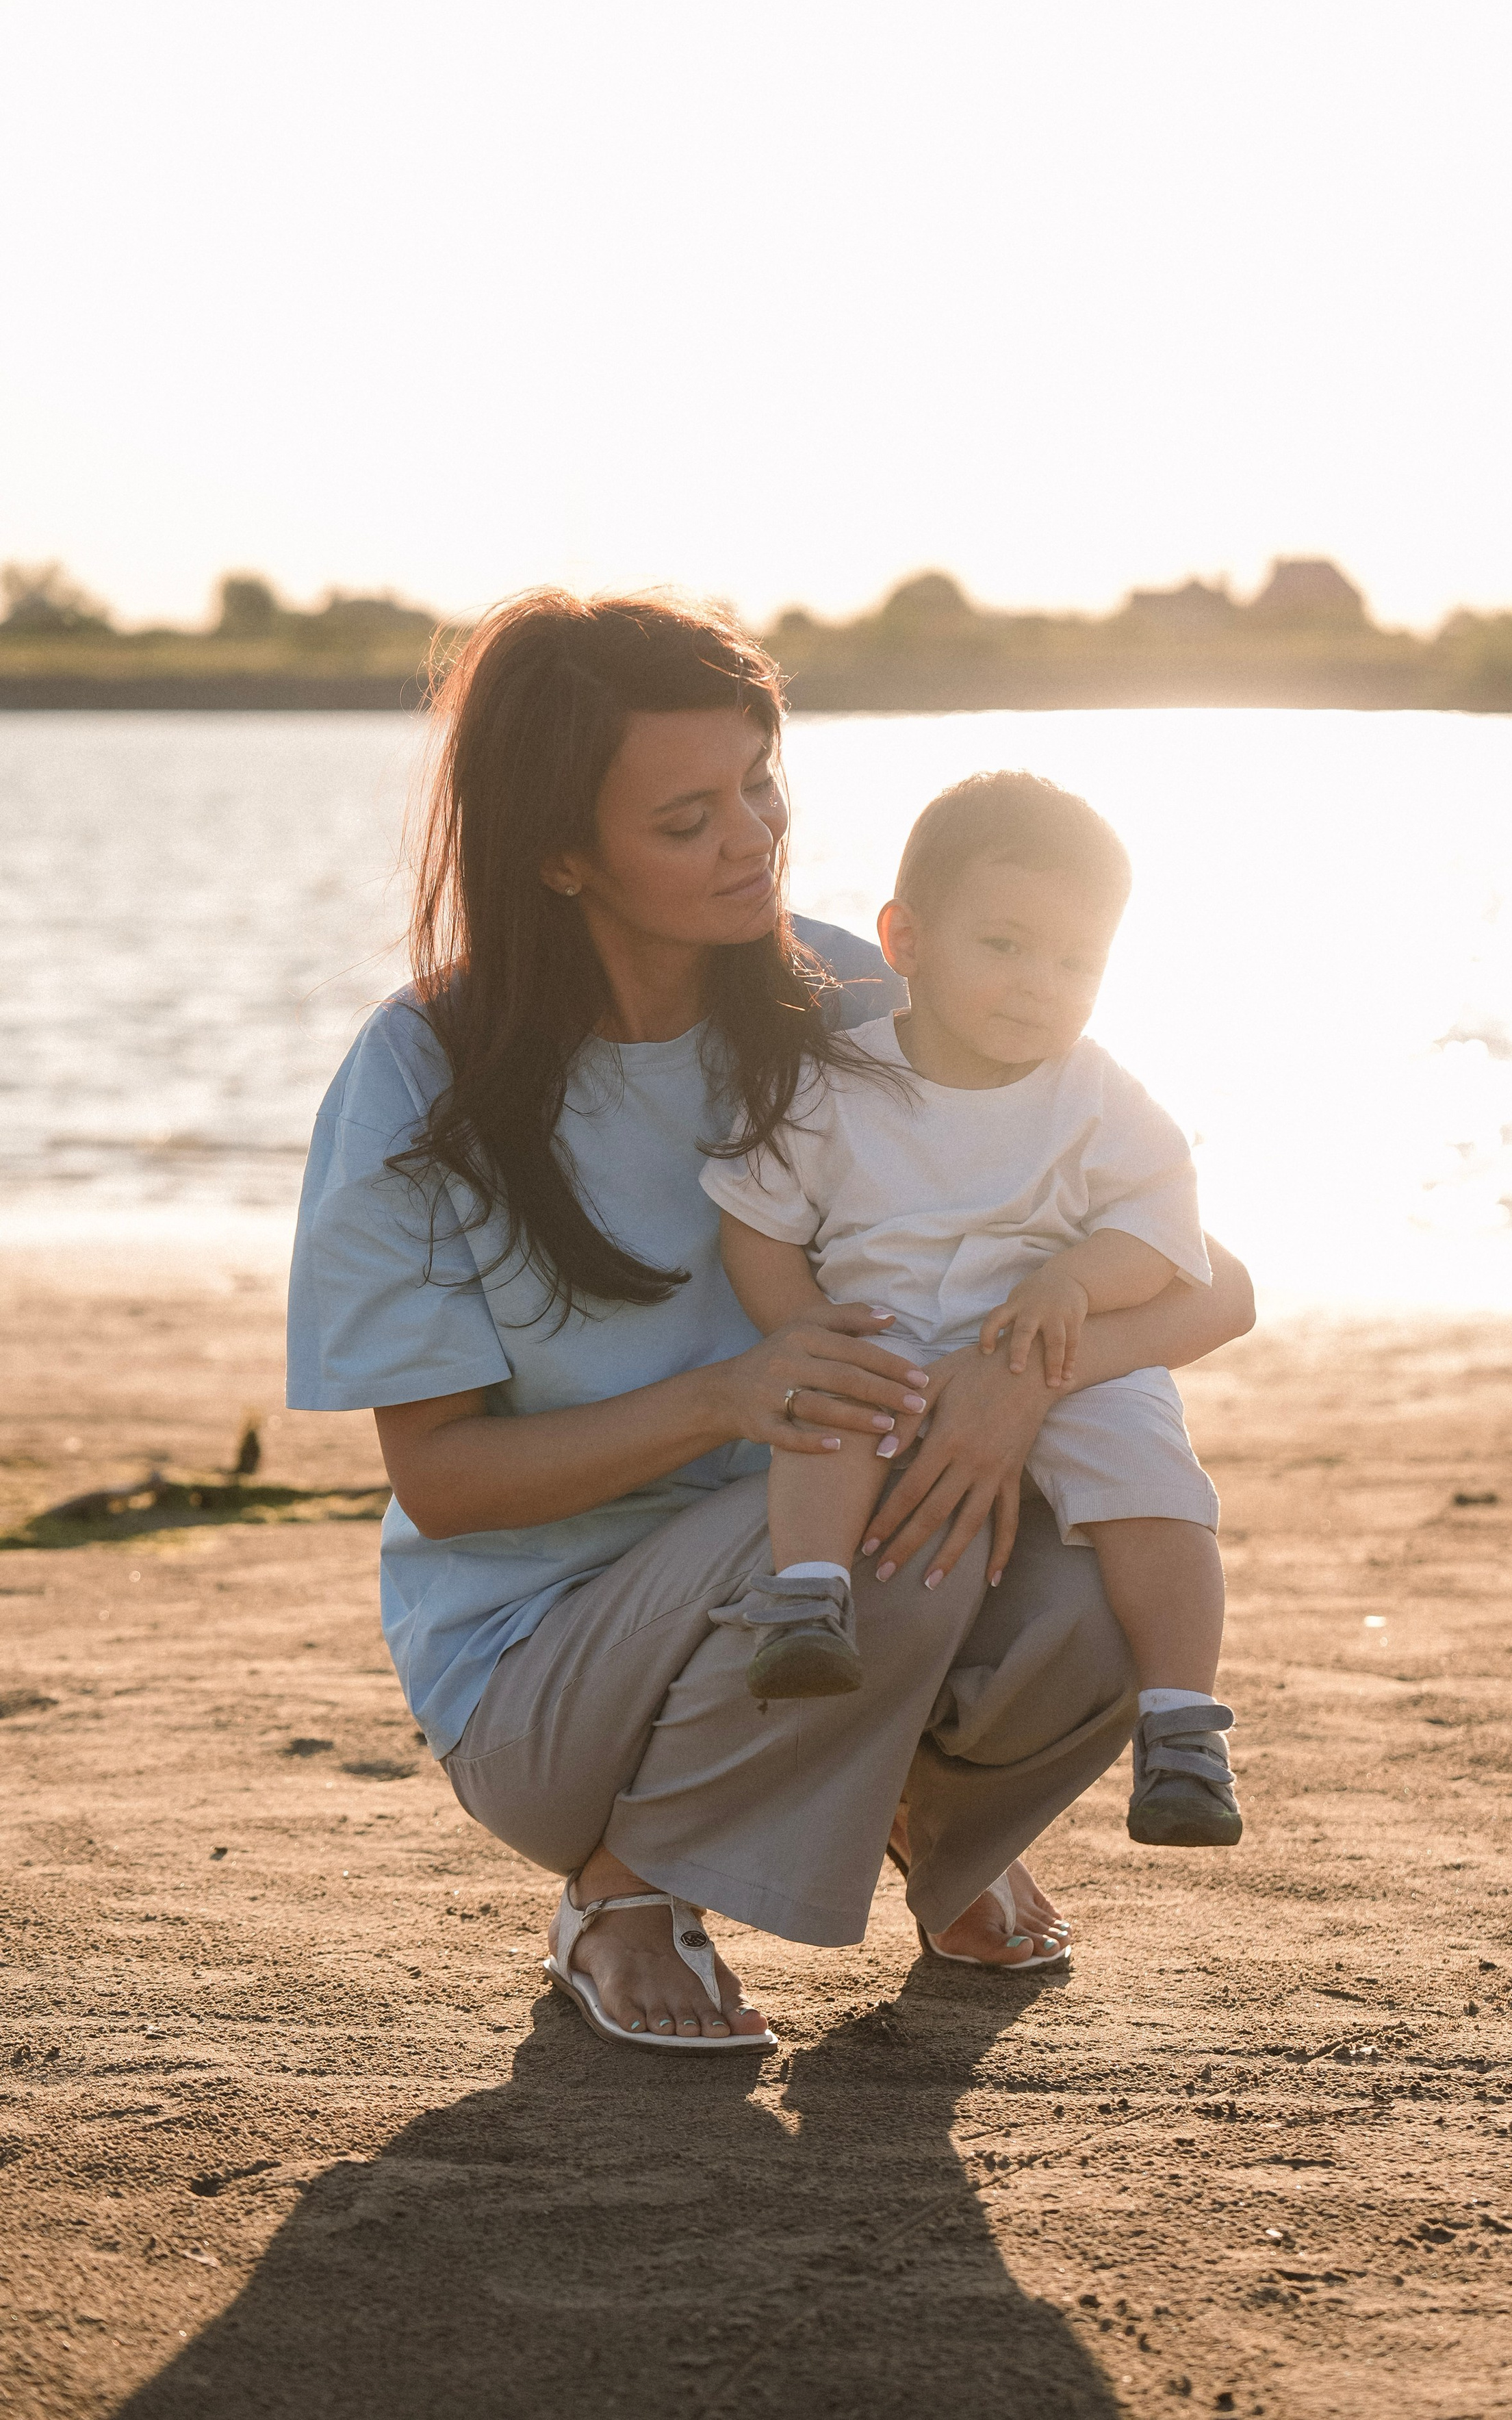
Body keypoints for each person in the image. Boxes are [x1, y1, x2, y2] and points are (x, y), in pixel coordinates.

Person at [287, 589, 1255, 2055]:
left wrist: (1013, 1381)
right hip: (548, 1682)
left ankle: (931, 1826)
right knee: (889, 1552)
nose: (749, 837)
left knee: (1105, 1579)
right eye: (684, 821)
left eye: (759, 785)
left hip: (824, 1585)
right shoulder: (424, 1075)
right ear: (557, 853)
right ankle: (622, 1889)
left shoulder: (861, 994)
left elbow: (1209, 1284)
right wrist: (729, 1398)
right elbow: (440, 1479)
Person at [703, 771, 1240, 1850]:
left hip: (1053, 1351)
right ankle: (807, 1597)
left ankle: (1182, 1721)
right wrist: (804, 1331)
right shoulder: (835, 1083)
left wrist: (1077, 1281)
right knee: (830, 1405)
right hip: (885, 1336)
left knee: (1156, 1480)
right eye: (1004, 945)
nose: (1041, 984)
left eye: (1076, 961)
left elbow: (1165, 1238)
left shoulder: (1101, 1096)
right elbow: (757, 1224)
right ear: (904, 937)